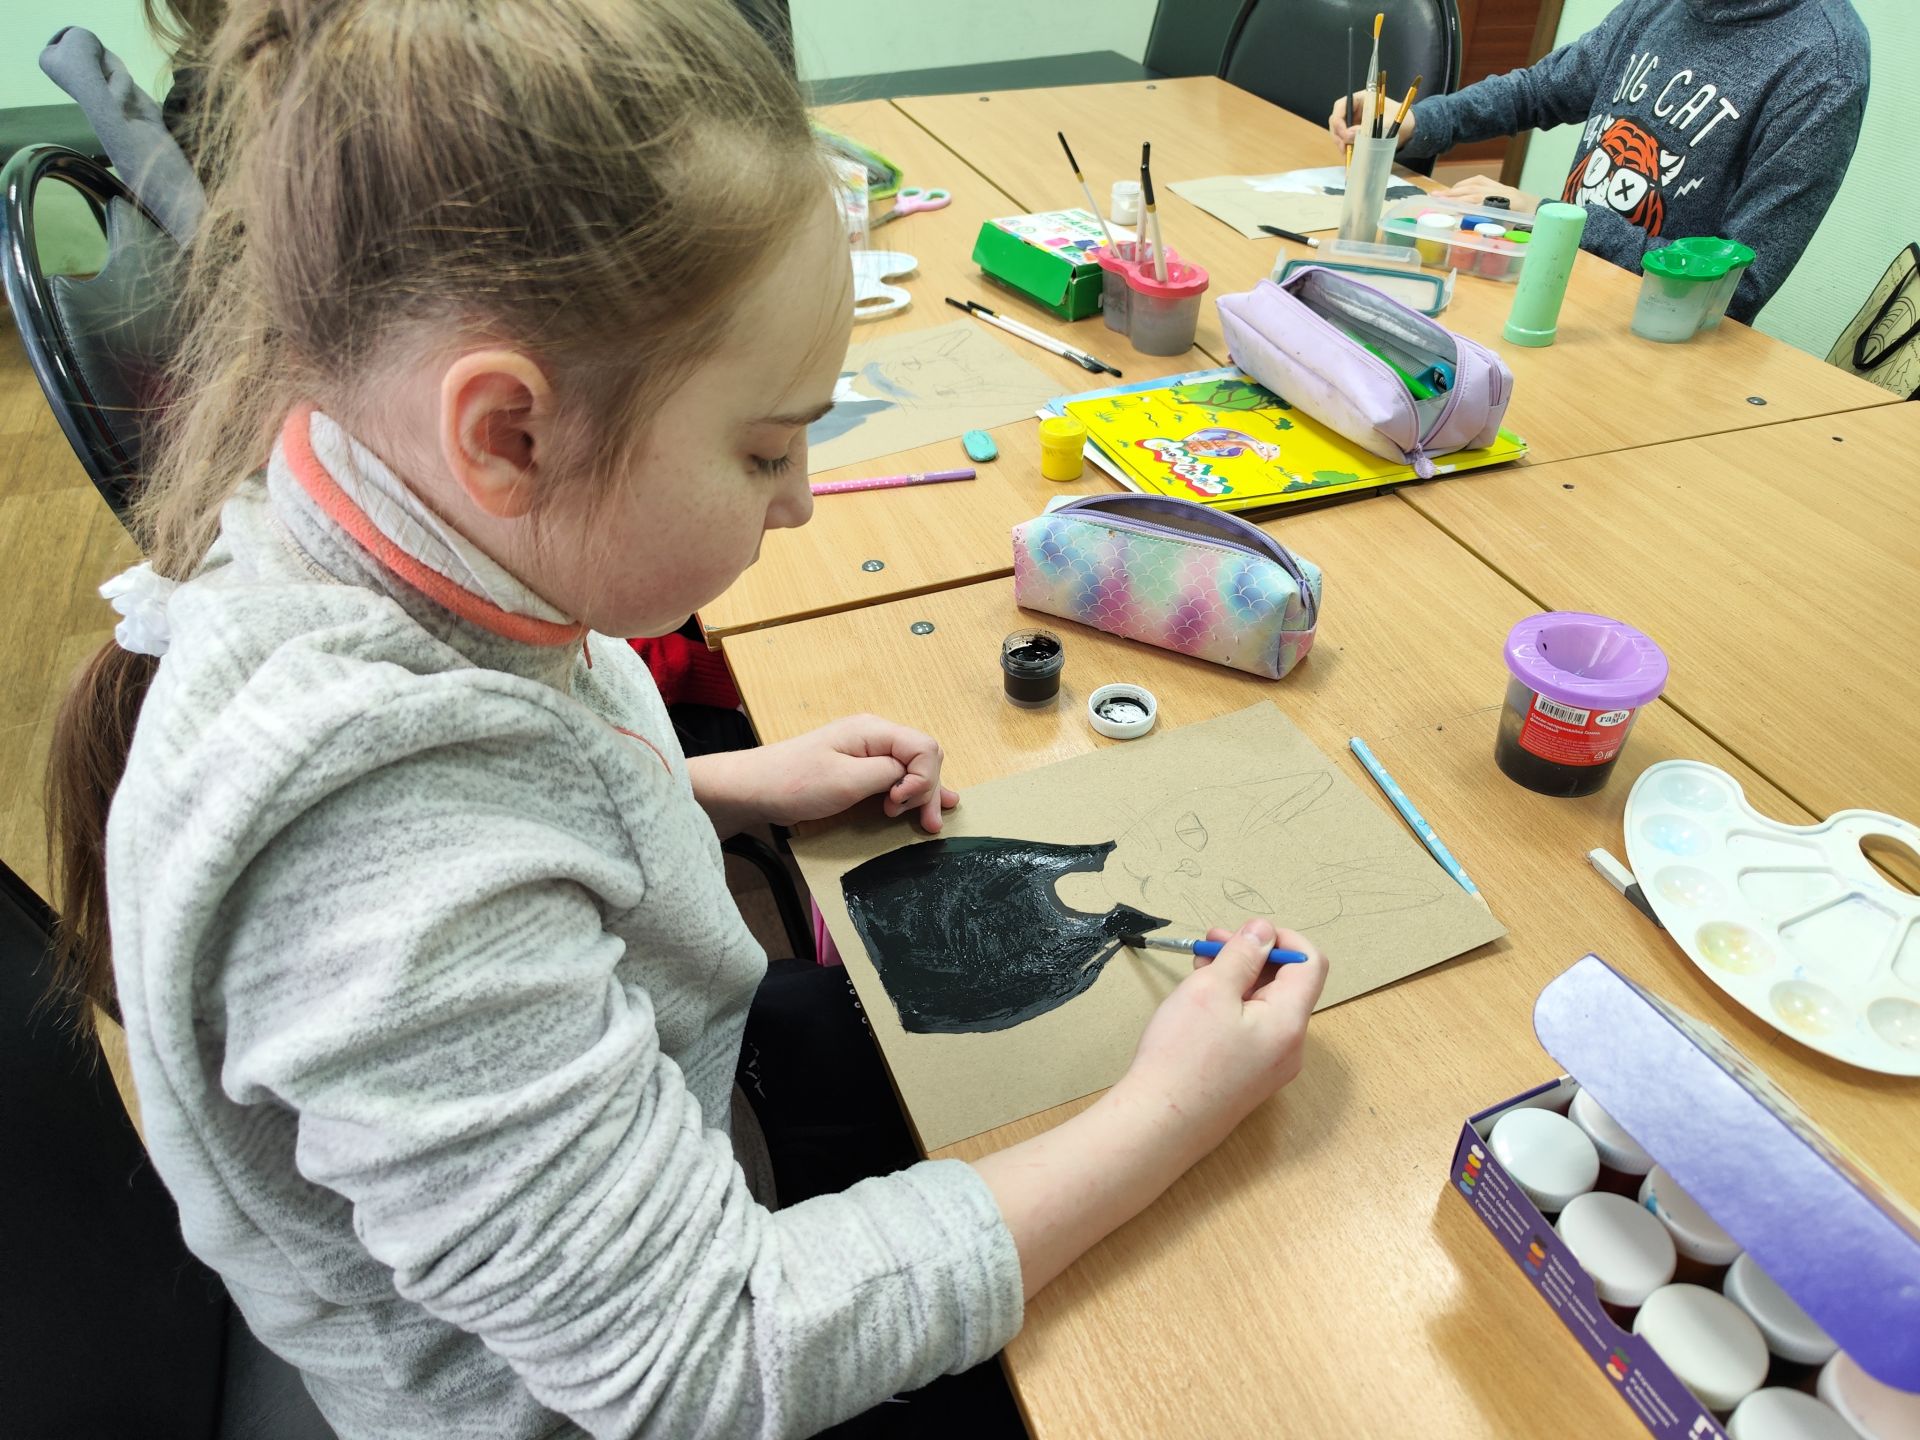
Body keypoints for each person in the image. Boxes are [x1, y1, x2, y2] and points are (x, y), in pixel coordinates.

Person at [43, 2, 1330, 1437]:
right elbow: (707, 1363)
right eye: (767, 449)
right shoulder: (369, 864)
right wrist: (1168, 1110)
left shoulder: (402, 513)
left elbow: (518, 783)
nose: (801, 501)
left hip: (667, 1142)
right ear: (511, 433)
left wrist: (720, 784)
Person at [1326, 0, 1869, 323]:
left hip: (1654, 340)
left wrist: (1554, 219)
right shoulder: (1662, 8)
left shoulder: (1825, 65)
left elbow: (1735, 287)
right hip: (1556, 287)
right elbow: (1541, 89)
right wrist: (1416, 121)